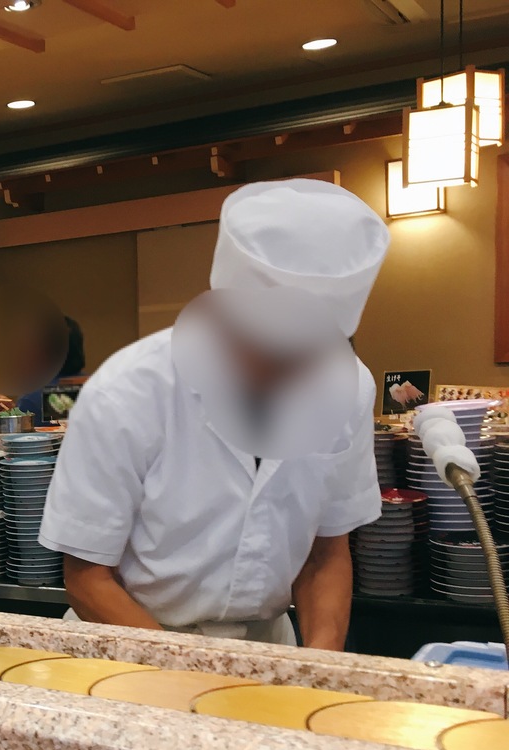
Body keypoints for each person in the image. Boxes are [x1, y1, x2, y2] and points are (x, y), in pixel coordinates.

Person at [39, 179, 390, 649]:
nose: (281, 372)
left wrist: (317, 667)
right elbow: (87, 578)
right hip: (133, 643)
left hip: (266, 644)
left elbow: (325, 553)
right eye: (264, 347)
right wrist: (193, 675)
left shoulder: (347, 388)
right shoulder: (127, 390)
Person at [0, 316, 85, 425]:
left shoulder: (33, 398)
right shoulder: (91, 386)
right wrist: (14, 412)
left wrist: (17, 416)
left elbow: (28, 433)